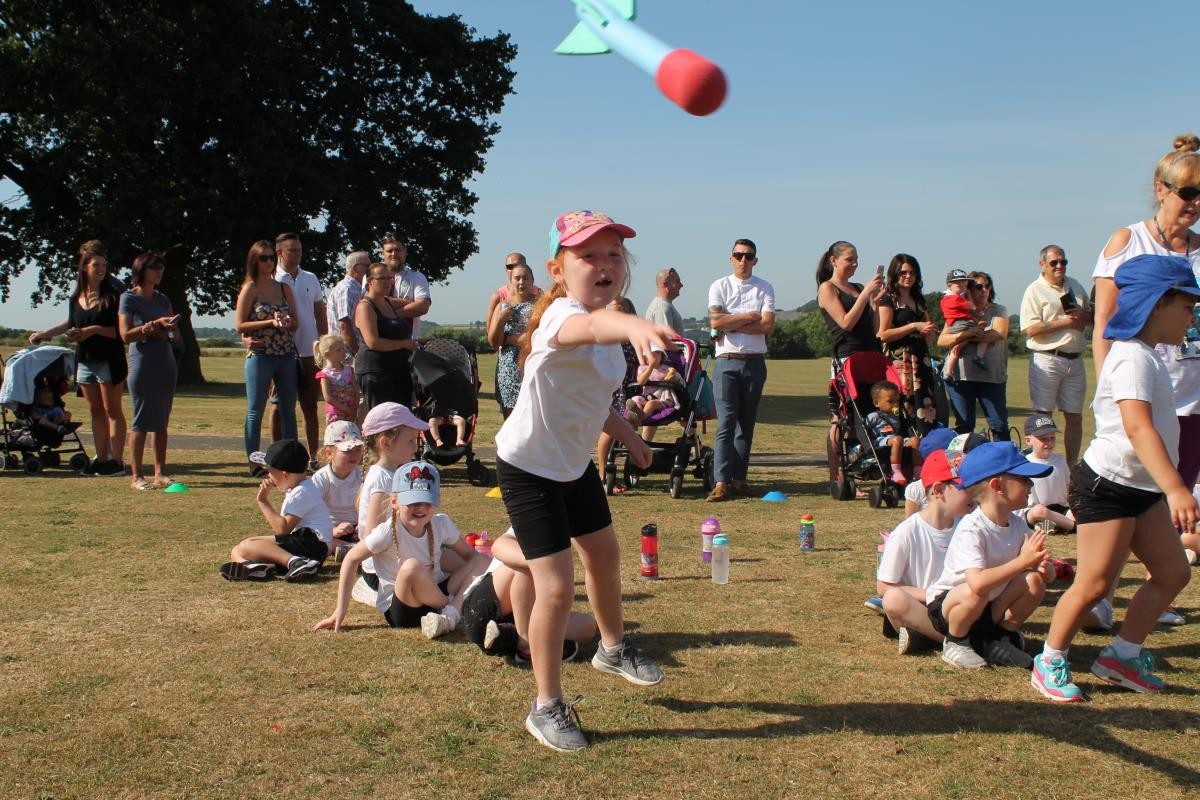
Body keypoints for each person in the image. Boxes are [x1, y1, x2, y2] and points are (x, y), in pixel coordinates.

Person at [494, 210, 670, 752]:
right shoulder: (560, 320)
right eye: (588, 255)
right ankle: (546, 706)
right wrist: (637, 325)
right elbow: (592, 327)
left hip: (572, 465)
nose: (604, 264)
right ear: (558, 269)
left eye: (613, 254)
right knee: (556, 586)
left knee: (605, 555)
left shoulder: (608, 322)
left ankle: (612, 649)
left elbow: (596, 400)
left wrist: (632, 437)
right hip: (528, 469)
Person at [1032, 255, 1198, 702]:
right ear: (1157, 305)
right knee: (1094, 584)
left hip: (1140, 489)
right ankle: (1049, 659)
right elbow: (1138, 428)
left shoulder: (1148, 356)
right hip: (1107, 487)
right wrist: (1177, 488)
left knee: (1172, 571)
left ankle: (1121, 657)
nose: (1192, 315)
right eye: (1187, 305)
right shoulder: (1130, 359)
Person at [1093, 134, 1200, 491]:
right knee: (1140, 492)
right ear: (1160, 190)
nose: (1196, 202)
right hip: (1142, 390)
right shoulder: (1127, 240)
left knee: (1180, 495)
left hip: (1194, 397)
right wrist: (1107, 390)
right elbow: (1104, 323)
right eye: (1187, 193)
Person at [314, 461, 489, 639]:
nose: (420, 507)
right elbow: (351, 558)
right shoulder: (386, 532)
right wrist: (340, 610)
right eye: (412, 501)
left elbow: (470, 555)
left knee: (483, 560)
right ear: (394, 502)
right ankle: (456, 610)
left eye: (427, 501)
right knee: (411, 567)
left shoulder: (441, 523)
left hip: (436, 590)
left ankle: (452, 613)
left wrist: (484, 581)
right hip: (405, 607)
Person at [925, 442, 1055, 669]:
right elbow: (977, 583)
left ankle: (998, 639)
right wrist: (1023, 561)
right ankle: (956, 642)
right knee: (975, 592)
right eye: (1024, 479)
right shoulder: (972, 528)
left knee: (1034, 582)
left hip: (989, 605)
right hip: (953, 608)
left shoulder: (1017, 524)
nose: (1031, 484)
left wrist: (1044, 568)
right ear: (997, 486)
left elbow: (1047, 576)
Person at [28, 248, 128, 476]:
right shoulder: (76, 297)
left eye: (104, 265)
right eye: (97, 265)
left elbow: (120, 331)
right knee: (96, 412)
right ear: (84, 268)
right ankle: (101, 459)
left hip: (109, 359)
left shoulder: (113, 296)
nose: (102, 270)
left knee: (113, 410)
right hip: (85, 360)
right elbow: (69, 323)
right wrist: (45, 334)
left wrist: (91, 330)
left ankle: (116, 460)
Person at [878, 450, 974, 654]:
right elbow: (885, 586)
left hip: (959, 606)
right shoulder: (907, 532)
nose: (975, 494)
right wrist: (931, 594)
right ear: (939, 490)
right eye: (967, 487)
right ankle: (960, 640)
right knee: (893, 599)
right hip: (923, 607)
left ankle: (925, 636)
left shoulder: (969, 526)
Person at [462, 528, 598, 662]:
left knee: (588, 626)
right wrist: (537, 564)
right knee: (529, 564)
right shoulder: (534, 517)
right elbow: (498, 546)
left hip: (524, 613)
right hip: (485, 606)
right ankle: (526, 643)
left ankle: (512, 637)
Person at [707, 238, 776, 502]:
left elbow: (768, 326)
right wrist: (750, 316)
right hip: (727, 360)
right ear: (731, 258)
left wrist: (731, 322)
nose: (743, 261)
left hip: (755, 362)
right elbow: (716, 321)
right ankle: (720, 482)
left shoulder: (765, 287)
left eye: (748, 256)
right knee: (726, 423)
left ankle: (739, 480)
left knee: (746, 425)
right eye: (738, 255)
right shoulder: (719, 286)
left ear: (755, 260)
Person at [817, 241, 884, 485]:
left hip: (870, 358)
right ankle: (837, 477)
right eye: (849, 259)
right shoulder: (828, 288)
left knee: (864, 419)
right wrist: (865, 294)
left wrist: (875, 302)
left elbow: (875, 328)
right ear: (833, 261)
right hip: (846, 359)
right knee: (840, 419)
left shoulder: (857, 288)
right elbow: (845, 323)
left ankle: (859, 472)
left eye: (857, 259)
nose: (855, 264)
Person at [220, 439, 332, 583]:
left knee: (248, 544)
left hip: (312, 545)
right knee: (238, 550)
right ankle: (258, 569)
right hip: (308, 545)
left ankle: (296, 562)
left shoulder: (303, 491)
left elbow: (283, 529)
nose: (268, 476)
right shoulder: (302, 488)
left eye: (270, 472)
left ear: (285, 475)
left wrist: (263, 501)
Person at [1020, 245, 1091, 468]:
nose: (1060, 266)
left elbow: (1091, 316)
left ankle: (1070, 468)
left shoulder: (1076, 285)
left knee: (1075, 416)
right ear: (1042, 265)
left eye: (1063, 261)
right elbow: (1029, 329)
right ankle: (1042, 465)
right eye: (1054, 262)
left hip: (1075, 358)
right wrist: (1064, 322)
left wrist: (1085, 316)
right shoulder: (1034, 290)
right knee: (1043, 416)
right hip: (1047, 357)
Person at [352, 402, 428, 605]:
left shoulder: (389, 474)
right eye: (410, 440)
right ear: (386, 443)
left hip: (388, 562)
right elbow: (372, 536)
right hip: (380, 572)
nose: (415, 447)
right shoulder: (383, 479)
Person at [234, 240, 298, 472]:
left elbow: (296, 323)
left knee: (288, 409)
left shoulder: (283, 288)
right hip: (261, 355)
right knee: (255, 410)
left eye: (272, 257)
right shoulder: (250, 288)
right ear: (254, 261)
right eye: (264, 258)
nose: (269, 262)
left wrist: (288, 322)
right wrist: (270, 322)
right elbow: (240, 324)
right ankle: (254, 462)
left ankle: (291, 460)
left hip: (285, 354)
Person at [118, 252, 179, 491]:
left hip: (165, 359)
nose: (159, 272)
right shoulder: (128, 298)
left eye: (161, 268)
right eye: (155, 268)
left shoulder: (163, 299)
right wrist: (148, 327)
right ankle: (136, 476)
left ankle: (160, 472)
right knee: (142, 419)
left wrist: (167, 330)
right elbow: (125, 334)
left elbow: (175, 335)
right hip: (142, 360)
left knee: (161, 419)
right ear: (141, 271)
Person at [270, 232, 326, 466]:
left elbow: (319, 312)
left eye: (299, 250)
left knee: (310, 405)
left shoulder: (310, 278)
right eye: (292, 250)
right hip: (281, 352)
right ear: (279, 252)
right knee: (279, 406)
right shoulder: (271, 279)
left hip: (308, 351)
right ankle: (277, 455)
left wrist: (323, 342)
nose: (297, 254)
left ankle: (313, 456)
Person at [937, 271, 1011, 440]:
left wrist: (966, 336)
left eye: (987, 286)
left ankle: (1003, 461)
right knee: (964, 426)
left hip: (992, 377)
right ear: (968, 290)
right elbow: (942, 341)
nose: (984, 290)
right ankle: (964, 463)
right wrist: (967, 334)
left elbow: (998, 333)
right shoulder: (960, 313)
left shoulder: (998, 310)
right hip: (960, 377)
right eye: (978, 286)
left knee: (998, 424)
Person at [876, 254, 937, 424]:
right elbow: (883, 334)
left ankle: (924, 445)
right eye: (903, 272)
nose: (908, 276)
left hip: (921, 361)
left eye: (912, 272)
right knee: (903, 407)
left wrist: (929, 333)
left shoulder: (919, 301)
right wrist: (913, 326)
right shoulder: (889, 300)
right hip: (900, 363)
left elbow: (926, 332)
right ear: (894, 274)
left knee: (925, 408)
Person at [354, 263, 417, 413]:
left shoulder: (388, 302)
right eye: (382, 278)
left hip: (399, 371)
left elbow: (413, 303)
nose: (387, 282)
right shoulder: (365, 306)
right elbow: (373, 342)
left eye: (389, 278)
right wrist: (404, 344)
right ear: (370, 282)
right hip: (376, 373)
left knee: (402, 419)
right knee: (382, 421)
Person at [595, 295, 641, 493]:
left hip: (632, 387)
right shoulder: (606, 338)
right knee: (610, 429)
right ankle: (602, 473)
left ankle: (616, 470)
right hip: (614, 389)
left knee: (625, 427)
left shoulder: (633, 337)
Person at [488, 261, 537, 418]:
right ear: (511, 281)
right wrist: (500, 320)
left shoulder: (541, 303)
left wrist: (512, 339)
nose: (521, 282)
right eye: (517, 278)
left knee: (534, 415)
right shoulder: (503, 306)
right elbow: (494, 343)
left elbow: (544, 335)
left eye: (526, 278)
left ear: (532, 280)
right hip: (509, 368)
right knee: (511, 419)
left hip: (534, 363)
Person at [310, 420, 365, 559]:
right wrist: (332, 531)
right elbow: (311, 513)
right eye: (347, 450)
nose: (354, 455)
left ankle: (353, 549)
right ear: (329, 453)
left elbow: (369, 505)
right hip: (330, 530)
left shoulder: (363, 475)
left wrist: (363, 524)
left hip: (357, 529)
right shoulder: (321, 478)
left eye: (357, 449)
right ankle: (352, 550)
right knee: (316, 540)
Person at [376, 233, 431, 340]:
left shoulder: (417, 277)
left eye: (398, 250)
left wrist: (388, 315)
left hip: (408, 344)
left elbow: (423, 307)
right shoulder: (371, 276)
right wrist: (409, 303)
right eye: (389, 251)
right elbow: (371, 303)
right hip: (379, 341)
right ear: (382, 253)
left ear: (405, 251)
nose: (393, 254)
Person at [865, 380, 920, 485]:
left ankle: (917, 472)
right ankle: (896, 471)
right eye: (890, 401)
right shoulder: (874, 416)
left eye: (896, 401)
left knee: (915, 440)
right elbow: (864, 429)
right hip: (880, 441)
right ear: (876, 403)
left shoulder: (898, 416)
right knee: (897, 439)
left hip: (896, 440)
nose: (895, 404)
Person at [940, 269, 989, 376]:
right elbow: (972, 307)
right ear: (949, 286)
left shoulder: (945, 298)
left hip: (953, 323)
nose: (963, 289)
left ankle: (948, 372)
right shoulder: (956, 299)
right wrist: (969, 295)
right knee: (982, 330)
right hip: (961, 323)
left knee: (956, 349)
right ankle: (979, 357)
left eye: (965, 286)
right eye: (959, 286)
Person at [1022, 414, 1071, 519]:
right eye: (1043, 439)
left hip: (1059, 509)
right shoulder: (1024, 464)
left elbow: (1068, 487)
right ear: (1028, 440)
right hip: (1034, 510)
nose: (1049, 442)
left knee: (1075, 514)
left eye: (1052, 438)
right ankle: (1066, 525)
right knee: (1038, 513)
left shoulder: (1061, 461)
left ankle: (1060, 524)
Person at [326, 250, 369, 356]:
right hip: (346, 355)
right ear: (355, 268)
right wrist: (357, 353)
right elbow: (344, 326)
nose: (370, 269)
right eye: (367, 266)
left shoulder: (357, 289)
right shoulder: (347, 289)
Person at [486, 252, 542, 328]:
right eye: (510, 267)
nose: (514, 269)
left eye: (519, 265)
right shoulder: (498, 296)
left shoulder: (538, 293)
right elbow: (490, 330)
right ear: (506, 269)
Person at [313, 334, 357, 424]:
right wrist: (347, 409)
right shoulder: (325, 375)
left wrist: (354, 408)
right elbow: (328, 397)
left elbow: (356, 390)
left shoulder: (349, 370)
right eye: (339, 350)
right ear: (327, 354)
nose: (343, 352)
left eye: (343, 349)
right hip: (335, 415)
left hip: (351, 414)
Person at [625, 361, 682, 427]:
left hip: (662, 399)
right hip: (646, 397)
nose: (653, 356)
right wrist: (650, 367)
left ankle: (638, 420)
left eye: (657, 353)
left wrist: (672, 377)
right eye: (651, 354)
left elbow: (679, 380)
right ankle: (637, 414)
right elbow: (641, 381)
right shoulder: (642, 369)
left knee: (651, 404)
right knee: (635, 399)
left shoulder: (667, 369)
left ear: (661, 356)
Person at [644, 267, 685, 335]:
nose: (681, 285)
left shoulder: (664, 305)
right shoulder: (662, 308)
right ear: (666, 285)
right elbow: (666, 340)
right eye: (677, 281)